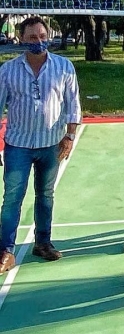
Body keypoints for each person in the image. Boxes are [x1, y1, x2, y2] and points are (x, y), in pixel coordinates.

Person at [0, 17, 81, 273]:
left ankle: (43, 243)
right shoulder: (8, 70)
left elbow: (73, 105)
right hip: (18, 145)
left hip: (51, 144)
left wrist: (69, 137)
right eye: (33, 37)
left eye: (43, 36)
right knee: (12, 198)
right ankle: (6, 251)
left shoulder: (64, 67)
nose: (39, 41)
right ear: (22, 38)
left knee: (45, 195)